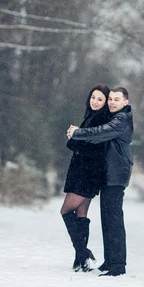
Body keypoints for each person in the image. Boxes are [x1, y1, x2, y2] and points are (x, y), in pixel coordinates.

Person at [67, 87, 133, 277]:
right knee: (107, 219)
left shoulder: (121, 119)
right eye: (110, 99)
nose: (112, 102)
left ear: (125, 102)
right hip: (109, 174)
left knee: (114, 219)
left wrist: (79, 132)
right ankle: (110, 261)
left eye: (116, 99)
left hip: (116, 174)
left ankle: (118, 265)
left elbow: (101, 132)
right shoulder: (116, 117)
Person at [61, 84, 110, 272]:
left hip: (86, 172)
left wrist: (73, 137)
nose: (95, 102)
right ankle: (80, 260)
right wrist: (75, 138)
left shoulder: (99, 118)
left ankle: (83, 253)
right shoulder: (91, 116)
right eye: (93, 97)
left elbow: (89, 147)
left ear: (105, 102)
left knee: (66, 211)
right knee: (81, 215)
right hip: (85, 171)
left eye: (100, 99)